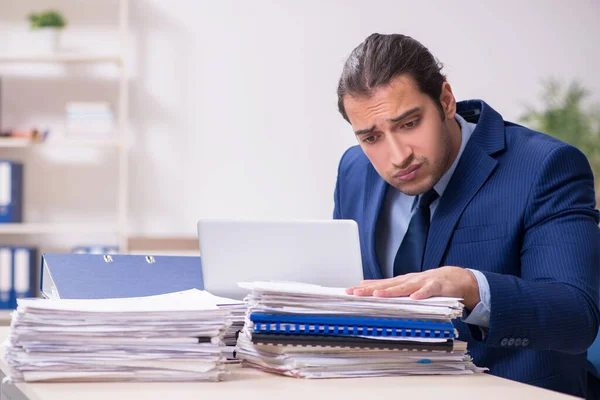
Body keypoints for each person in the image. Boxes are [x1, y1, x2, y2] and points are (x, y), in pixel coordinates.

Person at [333, 33, 600, 398]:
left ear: (445, 100)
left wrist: (472, 288)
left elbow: (575, 316)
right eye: (371, 138)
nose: (397, 157)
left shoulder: (544, 167)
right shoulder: (354, 171)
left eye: (409, 124)